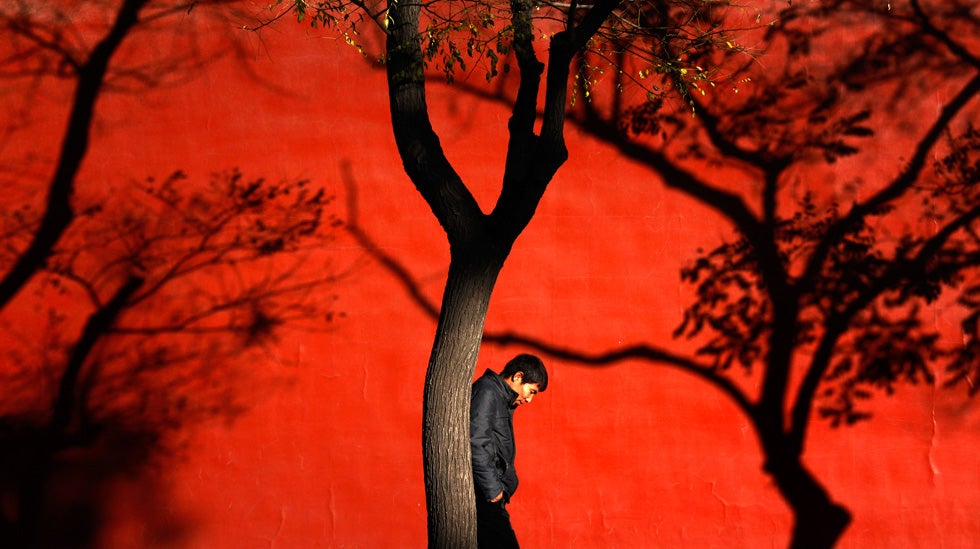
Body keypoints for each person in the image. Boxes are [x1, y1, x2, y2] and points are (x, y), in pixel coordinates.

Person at [470, 353, 548, 549]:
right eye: (531, 391)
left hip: (490, 494)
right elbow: (476, 441)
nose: (529, 399)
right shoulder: (488, 392)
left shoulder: (500, 397)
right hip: (485, 496)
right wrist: (493, 489)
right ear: (518, 376)